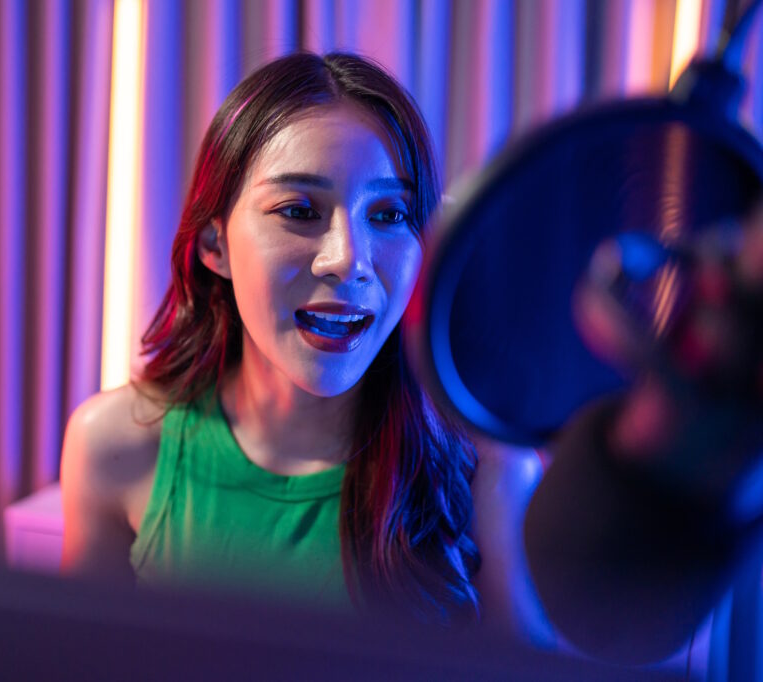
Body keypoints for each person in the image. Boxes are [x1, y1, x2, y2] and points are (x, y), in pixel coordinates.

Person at [60, 51, 547, 636]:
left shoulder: (485, 468)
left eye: (390, 214)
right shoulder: (115, 446)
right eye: (298, 210)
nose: (349, 259)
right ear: (214, 244)